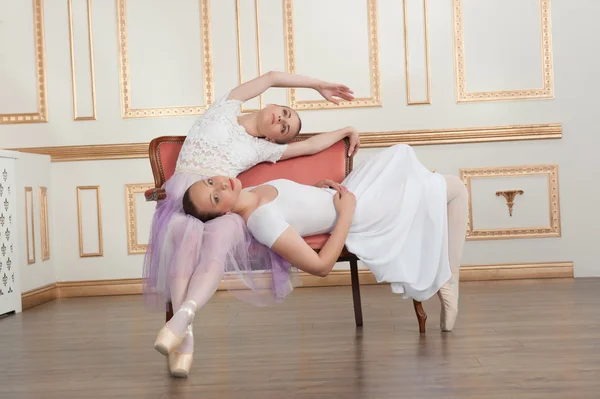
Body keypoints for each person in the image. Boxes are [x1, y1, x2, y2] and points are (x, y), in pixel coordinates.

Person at [155, 144, 469, 375]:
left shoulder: (248, 191)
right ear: (223, 212)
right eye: (214, 195)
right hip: (360, 212)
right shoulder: (261, 220)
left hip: (344, 193)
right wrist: (345, 214)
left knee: (401, 154)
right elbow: (321, 267)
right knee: (454, 189)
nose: (221, 184)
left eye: (211, 181)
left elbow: (297, 204)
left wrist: (316, 191)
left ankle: (443, 269)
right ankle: (449, 280)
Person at [143, 70, 360, 377]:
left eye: (285, 128)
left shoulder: (263, 149)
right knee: (187, 236)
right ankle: (186, 338)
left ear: (275, 139)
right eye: (284, 113)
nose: (281, 120)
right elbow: (271, 77)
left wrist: (346, 129)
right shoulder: (226, 106)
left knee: (221, 239)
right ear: (271, 105)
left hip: (223, 207)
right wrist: (319, 85)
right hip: (189, 194)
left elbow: (310, 147)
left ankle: (181, 321)